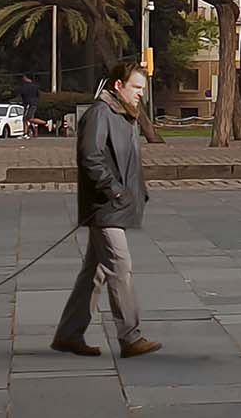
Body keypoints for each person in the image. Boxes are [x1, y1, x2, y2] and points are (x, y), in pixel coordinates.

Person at [53, 59, 161, 359]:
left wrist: (138, 192)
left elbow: (127, 162)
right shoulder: (101, 114)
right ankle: (130, 337)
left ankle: (68, 335)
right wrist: (114, 190)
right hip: (105, 206)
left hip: (115, 204)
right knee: (120, 267)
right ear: (118, 86)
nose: (141, 93)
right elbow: (91, 157)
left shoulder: (125, 115)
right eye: (136, 87)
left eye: (143, 88)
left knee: (95, 272)